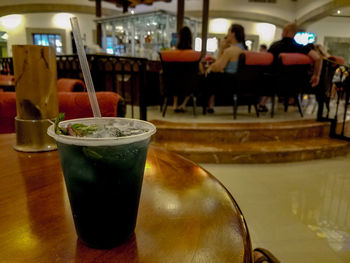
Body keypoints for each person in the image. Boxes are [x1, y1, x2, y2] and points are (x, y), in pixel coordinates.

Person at [257, 23, 322, 112]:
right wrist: (316, 75)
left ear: (285, 32)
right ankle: (292, 100)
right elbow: (318, 58)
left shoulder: (275, 46)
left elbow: (267, 61)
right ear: (295, 34)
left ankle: (262, 104)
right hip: (296, 84)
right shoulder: (301, 47)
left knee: (269, 76)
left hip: (275, 82)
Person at [205, 24, 247, 113]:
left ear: (233, 34)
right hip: (239, 81)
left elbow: (217, 67)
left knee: (210, 74)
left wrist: (220, 49)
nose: (227, 34)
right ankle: (210, 105)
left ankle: (209, 105)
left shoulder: (230, 51)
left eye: (228, 32)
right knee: (212, 73)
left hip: (228, 82)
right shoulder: (243, 49)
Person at [172, 26, 194, 112]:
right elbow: (199, 68)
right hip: (189, 84)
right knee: (194, 78)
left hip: (174, 83)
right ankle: (184, 104)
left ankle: (175, 103)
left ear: (179, 37)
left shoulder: (173, 53)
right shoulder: (193, 54)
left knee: (175, 76)